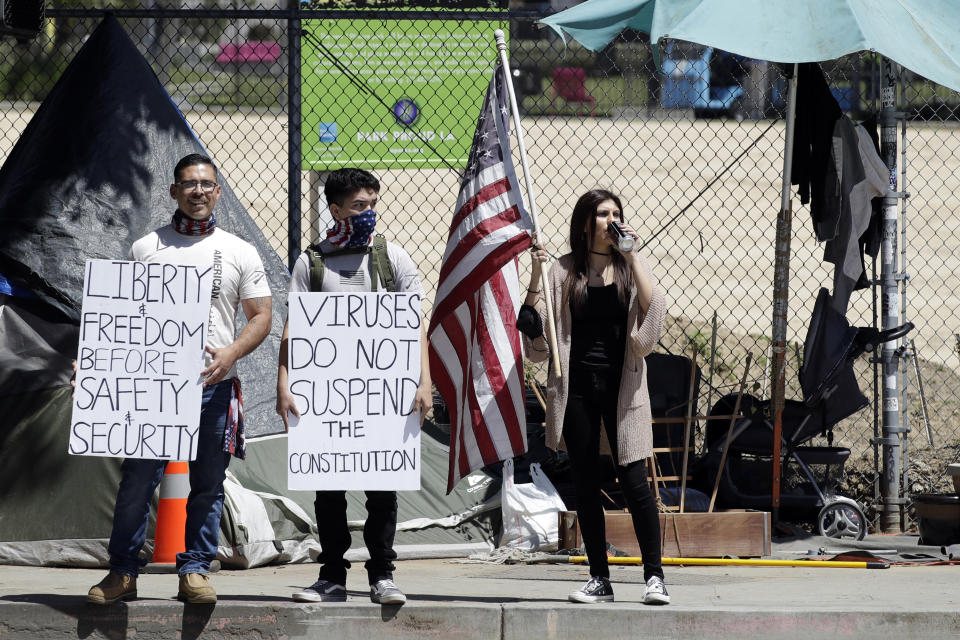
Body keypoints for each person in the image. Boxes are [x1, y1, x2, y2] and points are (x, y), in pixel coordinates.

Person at [86, 153, 273, 605]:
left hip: (212, 388)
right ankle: (123, 573)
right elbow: (123, 315)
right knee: (137, 481)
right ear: (174, 192)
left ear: (218, 192)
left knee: (207, 485)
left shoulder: (239, 250)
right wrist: (98, 362)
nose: (198, 192)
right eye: (189, 184)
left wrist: (231, 353)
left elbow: (262, 315)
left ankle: (194, 572)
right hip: (153, 388)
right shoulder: (146, 247)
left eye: (207, 184)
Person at [275, 167, 432, 605]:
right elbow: (293, 328)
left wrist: (425, 381)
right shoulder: (312, 261)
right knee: (329, 488)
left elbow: (414, 323)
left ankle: (382, 573)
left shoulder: (392, 257)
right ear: (335, 208)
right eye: (359, 206)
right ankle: (332, 575)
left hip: (382, 396)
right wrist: (283, 383)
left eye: (373, 204)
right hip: (327, 400)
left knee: (383, 484)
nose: (369, 213)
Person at [519, 189, 669, 605]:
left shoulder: (628, 268)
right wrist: (535, 273)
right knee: (586, 483)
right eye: (603, 214)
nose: (611, 220)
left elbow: (653, 323)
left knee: (635, 482)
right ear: (586, 223)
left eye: (616, 213)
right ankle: (599, 578)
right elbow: (535, 328)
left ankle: (654, 577)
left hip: (625, 392)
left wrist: (634, 255)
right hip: (577, 391)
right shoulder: (563, 271)